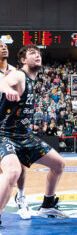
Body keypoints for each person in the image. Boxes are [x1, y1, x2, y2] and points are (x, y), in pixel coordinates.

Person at [0, 45, 68, 226]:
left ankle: (47, 205)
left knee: (59, 164)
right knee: (13, 172)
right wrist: (7, 89)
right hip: (4, 134)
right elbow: (2, 80)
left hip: (24, 135)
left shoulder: (32, 80)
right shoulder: (19, 75)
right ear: (23, 60)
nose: (37, 56)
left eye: (38, 53)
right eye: (32, 53)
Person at [0, 41, 30, 220]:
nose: (4, 47)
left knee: (19, 165)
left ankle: (21, 196)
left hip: (11, 124)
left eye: (5, 45)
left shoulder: (16, 71)